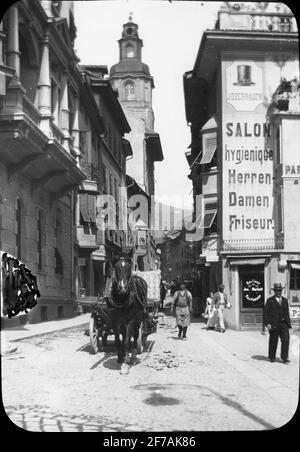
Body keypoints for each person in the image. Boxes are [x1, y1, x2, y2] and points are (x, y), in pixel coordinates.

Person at [264, 283, 292, 363]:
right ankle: (272, 357)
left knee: (286, 340)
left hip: (283, 324)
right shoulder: (270, 300)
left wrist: (289, 326)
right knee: (273, 340)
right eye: (277, 291)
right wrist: (268, 323)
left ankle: (284, 357)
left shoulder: (285, 300)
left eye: (280, 290)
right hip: (273, 324)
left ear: (281, 291)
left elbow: (287, 314)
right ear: (274, 291)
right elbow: (266, 313)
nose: (278, 292)